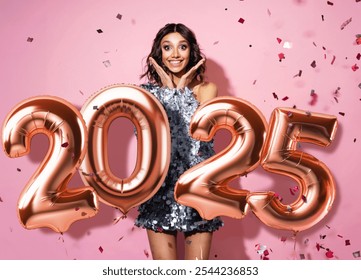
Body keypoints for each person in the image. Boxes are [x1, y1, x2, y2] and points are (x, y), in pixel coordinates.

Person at [134, 23, 223, 260]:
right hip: (159, 190)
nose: (175, 54)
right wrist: (168, 90)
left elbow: (198, 141)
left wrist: (179, 90)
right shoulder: (146, 95)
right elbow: (148, 142)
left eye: (182, 47)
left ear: (191, 51)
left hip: (197, 188)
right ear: (159, 54)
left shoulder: (207, 90)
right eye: (167, 47)